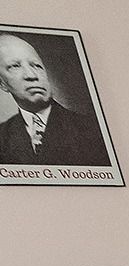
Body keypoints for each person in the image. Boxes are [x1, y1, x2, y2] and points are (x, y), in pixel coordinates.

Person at [0, 34, 111, 167]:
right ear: (2, 84)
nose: (32, 75)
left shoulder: (93, 129)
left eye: (36, 65)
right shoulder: (3, 136)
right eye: (15, 66)